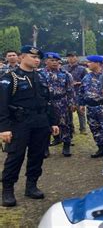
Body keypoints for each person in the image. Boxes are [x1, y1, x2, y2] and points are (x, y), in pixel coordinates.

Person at [0, 45, 59, 207]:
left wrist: (53, 122)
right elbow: (2, 105)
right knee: (15, 156)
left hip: (40, 122)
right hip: (19, 123)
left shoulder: (41, 77)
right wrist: (4, 128)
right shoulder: (10, 77)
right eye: (33, 57)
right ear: (21, 57)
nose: (37, 60)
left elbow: (48, 101)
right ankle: (7, 189)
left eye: (38, 58)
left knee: (37, 155)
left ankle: (31, 185)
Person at [39, 52, 75, 157]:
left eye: (56, 61)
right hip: (46, 103)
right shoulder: (40, 74)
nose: (55, 63)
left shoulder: (66, 74)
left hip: (61, 102)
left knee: (64, 124)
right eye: (52, 60)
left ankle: (66, 145)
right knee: (45, 125)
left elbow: (70, 90)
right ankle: (45, 148)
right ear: (46, 61)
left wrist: (71, 103)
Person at [79, 55, 103, 158]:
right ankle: (101, 148)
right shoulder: (87, 76)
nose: (88, 64)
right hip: (91, 107)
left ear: (98, 63)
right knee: (95, 128)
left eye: (90, 62)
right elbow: (82, 90)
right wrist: (81, 103)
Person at [63, 52, 88, 135]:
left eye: (72, 56)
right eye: (69, 57)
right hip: (67, 94)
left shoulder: (82, 69)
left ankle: (83, 128)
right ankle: (71, 128)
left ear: (76, 58)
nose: (70, 58)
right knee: (68, 112)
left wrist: (78, 83)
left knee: (80, 111)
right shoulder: (63, 68)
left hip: (78, 93)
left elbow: (87, 80)